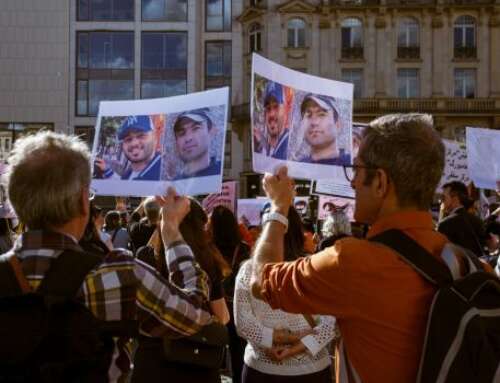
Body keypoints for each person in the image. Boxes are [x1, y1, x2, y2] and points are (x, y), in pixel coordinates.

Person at [249, 114, 489, 383]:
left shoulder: (352, 262)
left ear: (380, 183)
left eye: (357, 170)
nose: (351, 182)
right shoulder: (472, 266)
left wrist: (279, 207)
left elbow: (262, 280)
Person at [0, 131, 212, 381]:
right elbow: (194, 314)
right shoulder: (116, 274)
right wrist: (171, 231)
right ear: (82, 202)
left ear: (15, 203)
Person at [132, 198, 231, 383]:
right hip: (196, 360)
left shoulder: (144, 256)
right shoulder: (207, 260)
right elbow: (223, 317)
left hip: (152, 362)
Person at [235, 207, 336, 383]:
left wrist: (269, 342)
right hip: (312, 371)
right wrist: (297, 344)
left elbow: (243, 324)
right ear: (299, 232)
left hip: (261, 369)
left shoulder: (248, 270)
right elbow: (332, 322)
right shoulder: (315, 268)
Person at [209, 205, 251, 383]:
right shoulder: (243, 248)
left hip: (214, 304)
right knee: (238, 350)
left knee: (210, 349)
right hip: (238, 304)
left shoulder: (207, 248)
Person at [95, 115, 162, 180]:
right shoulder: (129, 173)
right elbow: (121, 185)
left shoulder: (165, 171)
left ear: (154, 137)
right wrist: (106, 170)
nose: (134, 143)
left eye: (141, 136)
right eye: (128, 139)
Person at [438, 181, 488, 257]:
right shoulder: (478, 221)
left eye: (443, 198)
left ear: (455, 199)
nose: (440, 201)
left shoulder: (445, 224)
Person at [298, 94, 350, 165]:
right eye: (308, 115)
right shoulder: (297, 167)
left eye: (321, 114)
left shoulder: (351, 166)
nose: (314, 122)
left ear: (337, 125)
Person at [173, 108, 222, 179]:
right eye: (181, 133)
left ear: (212, 132)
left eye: (196, 128)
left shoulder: (221, 173)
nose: (188, 138)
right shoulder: (173, 185)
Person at [260, 81, 289, 160]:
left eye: (276, 107)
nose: (271, 114)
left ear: (285, 110)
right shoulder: (261, 149)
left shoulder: (292, 150)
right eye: (268, 108)